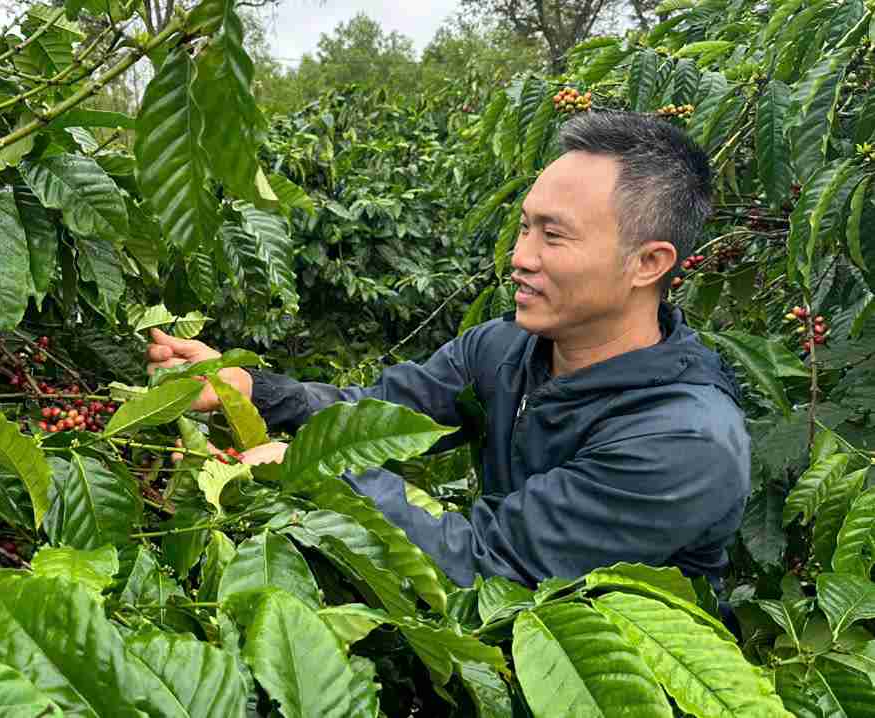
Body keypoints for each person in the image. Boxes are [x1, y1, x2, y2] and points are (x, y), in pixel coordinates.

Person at [146, 111, 750, 592]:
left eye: (554, 235)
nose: (521, 257)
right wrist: (248, 390)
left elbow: (488, 563)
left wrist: (300, 468)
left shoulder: (684, 442)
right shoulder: (504, 348)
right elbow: (376, 417)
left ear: (649, 263)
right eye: (524, 227)